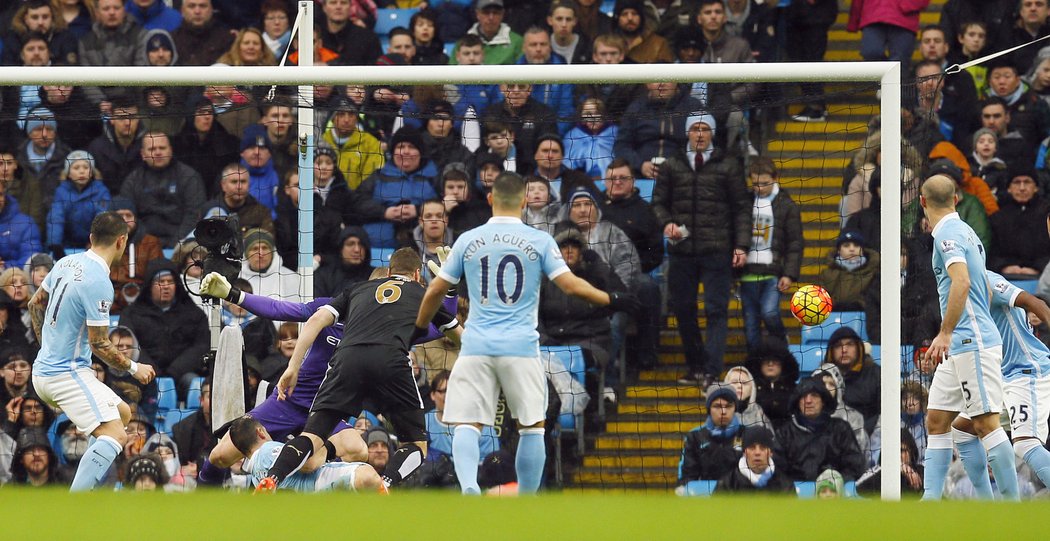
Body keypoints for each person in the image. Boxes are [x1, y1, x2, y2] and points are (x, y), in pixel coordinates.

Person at [414, 171, 639, 495]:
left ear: (491, 199)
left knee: (467, 423)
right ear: (522, 202)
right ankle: (527, 499)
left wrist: (419, 328)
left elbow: (435, 289)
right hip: (521, 347)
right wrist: (612, 299)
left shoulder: (467, 239)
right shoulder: (540, 240)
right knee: (532, 428)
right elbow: (570, 285)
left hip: (477, 345)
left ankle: (468, 489)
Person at [193, 266, 460, 485]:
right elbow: (281, 310)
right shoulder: (333, 309)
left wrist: (450, 289)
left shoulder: (397, 327)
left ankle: (299, 485)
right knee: (219, 456)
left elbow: (441, 327)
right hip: (289, 402)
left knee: (358, 450)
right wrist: (233, 294)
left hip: (330, 411)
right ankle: (207, 504)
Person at [26, 212, 155, 491]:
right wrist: (135, 367)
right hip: (66, 374)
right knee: (117, 436)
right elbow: (99, 343)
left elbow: (34, 304)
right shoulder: (99, 282)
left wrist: (48, 346)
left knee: (122, 413)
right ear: (121, 241)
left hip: (46, 370)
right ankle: (77, 507)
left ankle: (89, 481)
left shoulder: (65, 262)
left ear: (91, 238)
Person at [918, 174, 1018, 500]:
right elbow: (985, 287)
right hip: (962, 342)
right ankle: (931, 502)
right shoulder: (967, 231)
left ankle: (1012, 508)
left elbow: (962, 282)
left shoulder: (946, 234)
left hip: (968, 341)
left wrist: (946, 332)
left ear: (922, 201)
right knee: (937, 420)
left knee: (986, 424)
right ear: (957, 198)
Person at [653, 113, 750, 386]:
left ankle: (711, 370)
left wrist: (741, 245)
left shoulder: (728, 165)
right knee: (683, 309)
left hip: (717, 250)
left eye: (704, 129)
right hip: (682, 250)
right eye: (694, 128)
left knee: (716, 310)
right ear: (687, 132)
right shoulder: (672, 165)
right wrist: (667, 222)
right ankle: (695, 366)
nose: (699, 134)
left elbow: (742, 207)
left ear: (712, 133)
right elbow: (658, 203)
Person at [950, 272, 1050, 497]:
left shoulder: (986, 280)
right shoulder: (956, 292)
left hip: (1026, 371)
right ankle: (990, 507)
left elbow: (1036, 303)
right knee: (963, 429)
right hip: (1000, 378)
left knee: (1024, 444)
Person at [118, 259, 209, 396]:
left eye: (170, 281)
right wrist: (152, 370)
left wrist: (176, 370)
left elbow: (202, 345)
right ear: (149, 285)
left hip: (183, 374)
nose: (166, 286)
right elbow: (129, 344)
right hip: (142, 374)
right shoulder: (131, 314)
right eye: (160, 282)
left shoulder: (194, 313)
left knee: (195, 384)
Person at [739, 157, 802, 350]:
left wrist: (789, 274)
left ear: (775, 178)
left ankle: (782, 341)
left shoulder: (786, 205)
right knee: (750, 325)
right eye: (755, 184)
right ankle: (755, 363)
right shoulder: (745, 203)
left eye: (765, 184)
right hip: (747, 273)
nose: (760, 188)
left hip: (772, 272)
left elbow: (795, 243)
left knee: (769, 312)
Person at [773, 378, 866, 482]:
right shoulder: (784, 433)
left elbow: (855, 466)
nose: (808, 401)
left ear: (823, 401)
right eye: (803, 396)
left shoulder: (841, 429)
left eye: (814, 395)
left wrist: (833, 484)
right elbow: (777, 471)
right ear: (797, 402)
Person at [676, 384, 744, 485]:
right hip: (706, 496)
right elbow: (687, 476)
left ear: (735, 408)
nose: (723, 411)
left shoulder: (747, 433)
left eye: (729, 406)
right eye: (717, 406)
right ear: (709, 409)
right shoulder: (695, 436)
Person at [715, 426, 792, 493]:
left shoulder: (785, 486)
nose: (757, 453)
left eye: (763, 448)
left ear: (771, 453)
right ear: (744, 452)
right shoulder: (727, 485)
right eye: (752, 447)